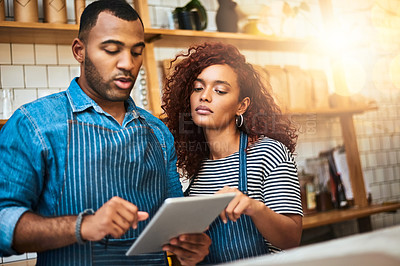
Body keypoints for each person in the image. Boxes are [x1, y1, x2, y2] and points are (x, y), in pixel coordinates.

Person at [0, 1, 211, 265]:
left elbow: (174, 229)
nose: (128, 63)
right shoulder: (34, 124)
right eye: (112, 50)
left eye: (136, 52)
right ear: (80, 50)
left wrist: (188, 249)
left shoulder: (157, 132)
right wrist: (84, 225)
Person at [162, 42, 303, 264]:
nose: (205, 96)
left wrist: (253, 207)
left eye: (219, 90)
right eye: (198, 88)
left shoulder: (269, 153)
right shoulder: (189, 168)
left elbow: (291, 238)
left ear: (241, 105)